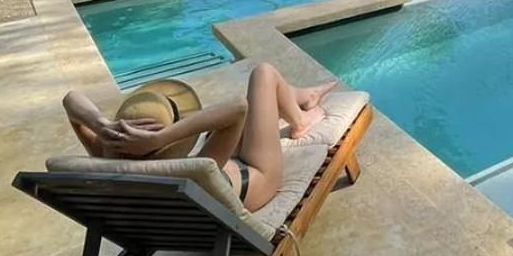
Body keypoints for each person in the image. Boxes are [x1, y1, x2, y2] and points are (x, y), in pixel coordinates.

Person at [62, 63, 338, 212]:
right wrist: (159, 138)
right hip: (255, 179)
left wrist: (102, 125)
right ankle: (300, 120)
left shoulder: (108, 156)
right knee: (263, 75)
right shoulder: (190, 171)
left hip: (222, 171)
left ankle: (304, 96)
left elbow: (70, 100)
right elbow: (237, 109)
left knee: (257, 101)